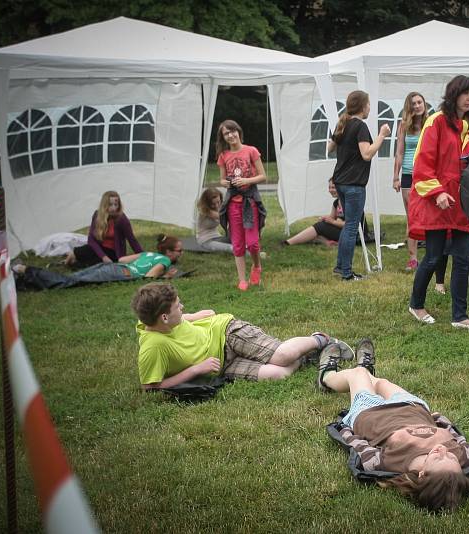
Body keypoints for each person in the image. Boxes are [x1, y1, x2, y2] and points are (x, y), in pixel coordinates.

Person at [317, 341, 469, 512]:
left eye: (438, 458)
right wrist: (440, 420)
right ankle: (366, 370)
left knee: (357, 376)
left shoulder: (388, 462)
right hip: (412, 407)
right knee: (382, 383)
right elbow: (461, 439)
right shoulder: (465, 457)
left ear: (421, 474)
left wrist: (345, 428)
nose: (443, 450)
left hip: (370, 412)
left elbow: (356, 446)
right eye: (451, 457)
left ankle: (327, 376)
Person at [133, 282, 353, 388]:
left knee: (283, 356)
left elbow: (182, 319)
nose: (181, 307)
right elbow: (150, 387)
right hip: (221, 364)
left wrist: (197, 315)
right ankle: (309, 354)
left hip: (227, 332)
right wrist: (196, 369)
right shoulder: (153, 346)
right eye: (177, 306)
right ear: (163, 317)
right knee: (279, 374)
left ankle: (322, 339)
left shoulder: (158, 320)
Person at [407, 75, 469, 331]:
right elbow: (423, 164)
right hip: (436, 201)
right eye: (466, 93)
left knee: (463, 258)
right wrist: (437, 192)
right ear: (454, 94)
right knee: (432, 257)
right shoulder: (436, 122)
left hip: (462, 204)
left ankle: (460, 316)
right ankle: (416, 305)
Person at [328, 90, 391, 281]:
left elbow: (329, 149)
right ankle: (346, 272)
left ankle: (340, 266)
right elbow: (366, 154)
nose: (370, 107)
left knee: (348, 225)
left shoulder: (343, 123)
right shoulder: (360, 126)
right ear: (363, 106)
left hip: (340, 181)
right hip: (354, 184)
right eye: (369, 104)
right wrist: (382, 135)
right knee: (352, 227)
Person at [15, 234, 183, 290]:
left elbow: (122, 259)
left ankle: (22, 281)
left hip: (114, 266)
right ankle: (27, 271)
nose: (181, 254)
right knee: (69, 282)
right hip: (121, 272)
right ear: (168, 252)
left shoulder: (149, 253)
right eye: (179, 251)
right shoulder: (166, 261)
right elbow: (148, 278)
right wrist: (165, 276)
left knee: (71, 278)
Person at [216, 119, 267, 291]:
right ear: (223, 137)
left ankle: (257, 266)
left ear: (238, 131)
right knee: (237, 243)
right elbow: (222, 179)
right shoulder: (223, 156)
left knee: (252, 243)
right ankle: (242, 279)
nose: (230, 135)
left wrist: (246, 180)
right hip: (233, 204)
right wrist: (227, 183)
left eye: (232, 131)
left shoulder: (251, 151)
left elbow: (263, 176)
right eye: (226, 133)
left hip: (249, 202)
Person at [392, 92, 429, 271]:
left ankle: (432, 253)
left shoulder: (431, 123)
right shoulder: (404, 126)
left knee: (429, 215)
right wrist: (395, 177)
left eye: (419, 102)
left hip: (427, 174)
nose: (416, 106)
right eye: (413, 103)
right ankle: (413, 258)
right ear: (409, 106)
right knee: (412, 217)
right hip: (408, 174)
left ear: (424, 104)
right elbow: (399, 152)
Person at [64, 191, 143, 267]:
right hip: (99, 250)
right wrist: (103, 257)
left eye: (116, 204)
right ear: (104, 205)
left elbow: (132, 239)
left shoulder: (122, 219)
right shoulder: (97, 215)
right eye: (110, 205)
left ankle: (75, 262)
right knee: (77, 252)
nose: (113, 208)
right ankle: (67, 262)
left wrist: (144, 255)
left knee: (92, 265)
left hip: (114, 253)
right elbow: (91, 240)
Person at [282, 179, 345, 246]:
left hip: (352, 235)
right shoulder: (336, 202)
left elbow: (351, 225)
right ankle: (329, 243)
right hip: (341, 231)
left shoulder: (348, 202)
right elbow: (332, 218)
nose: (330, 190)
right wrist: (325, 218)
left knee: (320, 227)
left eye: (333, 187)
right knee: (315, 232)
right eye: (329, 187)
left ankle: (287, 243)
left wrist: (332, 221)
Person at [194, 187, 233, 253]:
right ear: (207, 203)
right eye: (213, 204)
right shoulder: (204, 210)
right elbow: (222, 216)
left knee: (236, 238)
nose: (217, 205)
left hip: (217, 237)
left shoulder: (219, 207)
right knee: (231, 248)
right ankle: (251, 252)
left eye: (218, 202)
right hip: (206, 241)